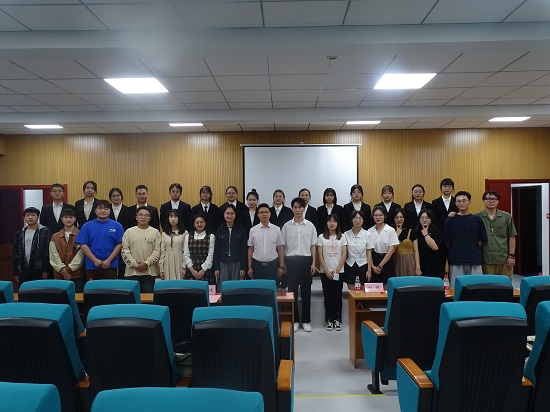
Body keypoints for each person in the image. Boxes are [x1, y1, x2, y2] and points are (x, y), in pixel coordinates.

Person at [281, 197, 317, 333]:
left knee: (306, 293)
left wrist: (313, 262)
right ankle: (295, 320)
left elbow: (313, 246)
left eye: (300, 207)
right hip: (290, 261)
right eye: (295, 207)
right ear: (292, 209)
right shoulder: (286, 226)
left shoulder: (310, 226)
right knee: (292, 292)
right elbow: (282, 246)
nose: (297, 210)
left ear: (304, 208)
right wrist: (283, 263)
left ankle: (306, 321)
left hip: (306, 261)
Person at [444, 191, 488, 288]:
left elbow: (481, 240)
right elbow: (447, 241)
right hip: (456, 260)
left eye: (464, 200)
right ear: (455, 203)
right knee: (456, 290)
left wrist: (472, 248)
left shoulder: (477, 220)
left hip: (474, 260)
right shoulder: (450, 220)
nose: (461, 203)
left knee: (476, 289)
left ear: (469, 202)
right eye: (458, 201)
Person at [75, 200, 123, 280]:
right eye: (100, 208)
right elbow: (83, 245)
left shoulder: (117, 226)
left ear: (110, 210)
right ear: (95, 210)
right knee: (93, 288)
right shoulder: (87, 226)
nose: (103, 211)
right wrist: (95, 260)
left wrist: (108, 260)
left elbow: (119, 244)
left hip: (111, 264)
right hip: (92, 265)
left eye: (106, 208)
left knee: (111, 287)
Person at [476, 190, 517, 279]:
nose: (491, 201)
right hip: (485, 260)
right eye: (488, 199)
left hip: (504, 259)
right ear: (483, 201)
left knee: (505, 284)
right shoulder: (477, 217)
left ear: (498, 201)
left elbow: (512, 236)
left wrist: (512, 256)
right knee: (488, 284)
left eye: (494, 199)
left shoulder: (506, 216)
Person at [317, 214, 347, 331]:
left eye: (334, 221)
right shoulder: (321, 237)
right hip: (325, 272)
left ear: (338, 223)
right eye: (330, 221)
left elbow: (344, 254)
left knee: (337, 296)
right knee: (328, 296)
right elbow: (320, 255)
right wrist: (326, 270)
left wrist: (337, 270)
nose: (332, 223)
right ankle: (329, 319)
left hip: (339, 271)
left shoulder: (342, 237)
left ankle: (337, 319)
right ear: (326, 223)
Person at [122, 206, 162, 292]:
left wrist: (146, 263)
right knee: (131, 298)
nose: (143, 217)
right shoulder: (129, 232)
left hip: (149, 273)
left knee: (148, 298)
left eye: (146, 215)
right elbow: (124, 250)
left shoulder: (155, 232)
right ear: (136, 217)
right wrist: (135, 264)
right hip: (131, 272)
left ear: (150, 218)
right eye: (140, 215)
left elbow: (157, 251)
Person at [12, 207, 52, 284]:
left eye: (33, 215)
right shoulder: (19, 233)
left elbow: (47, 252)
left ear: (38, 217)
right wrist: (15, 271)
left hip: (39, 269)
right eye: (27, 215)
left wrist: (46, 269)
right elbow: (15, 253)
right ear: (24, 217)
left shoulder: (45, 231)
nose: (30, 217)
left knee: (39, 290)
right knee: (24, 290)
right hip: (23, 269)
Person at [49, 208, 85, 292]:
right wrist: (63, 270)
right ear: (62, 219)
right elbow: (53, 255)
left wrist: (69, 269)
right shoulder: (55, 236)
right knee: (59, 298)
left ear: (75, 219)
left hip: (77, 275)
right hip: (59, 275)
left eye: (71, 217)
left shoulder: (82, 234)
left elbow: (81, 255)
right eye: (66, 217)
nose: (68, 220)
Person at [247, 203, 285, 283]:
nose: (264, 214)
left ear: (270, 214)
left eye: (266, 212)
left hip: (273, 265)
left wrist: (281, 266)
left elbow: (280, 248)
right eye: (261, 212)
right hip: (257, 265)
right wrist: (249, 267)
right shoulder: (253, 230)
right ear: (258, 215)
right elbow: (251, 249)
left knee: (272, 288)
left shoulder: (277, 229)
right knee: (258, 288)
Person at [213, 204, 248, 282]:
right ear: (223, 215)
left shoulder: (241, 230)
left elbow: (244, 250)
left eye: (232, 213)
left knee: (236, 287)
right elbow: (216, 250)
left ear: (235, 215)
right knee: (223, 286)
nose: (230, 216)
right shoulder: (219, 230)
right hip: (223, 263)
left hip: (237, 263)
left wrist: (243, 267)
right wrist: (216, 267)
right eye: (227, 213)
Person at [366, 206, 399, 284]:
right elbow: (368, 252)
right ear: (373, 216)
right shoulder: (369, 231)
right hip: (373, 260)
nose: (378, 217)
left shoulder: (390, 230)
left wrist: (381, 265)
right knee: (374, 288)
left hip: (387, 261)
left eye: (380, 215)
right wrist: (372, 266)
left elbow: (391, 250)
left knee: (387, 287)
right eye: (376, 215)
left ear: (385, 216)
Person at [413, 208, 445, 279]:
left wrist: (426, 234)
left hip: (435, 264)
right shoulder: (416, 231)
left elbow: (435, 247)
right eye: (422, 218)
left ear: (431, 219)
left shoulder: (436, 231)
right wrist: (417, 267)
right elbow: (416, 250)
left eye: (427, 218)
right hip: (422, 263)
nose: (424, 220)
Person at [183, 214, 216, 285]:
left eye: (202, 222)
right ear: (193, 224)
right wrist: (192, 270)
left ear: (205, 223)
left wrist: (203, 270)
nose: (199, 224)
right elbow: (186, 255)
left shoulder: (211, 236)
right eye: (197, 222)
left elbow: (211, 256)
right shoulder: (188, 236)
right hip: (191, 270)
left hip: (206, 270)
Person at [344, 210, 369, 290]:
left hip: (363, 264)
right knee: (351, 290)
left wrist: (369, 270)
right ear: (351, 220)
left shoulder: (367, 234)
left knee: (363, 291)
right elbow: (344, 252)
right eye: (355, 218)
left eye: (360, 218)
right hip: (350, 264)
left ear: (363, 220)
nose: (358, 220)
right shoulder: (346, 234)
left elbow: (369, 253)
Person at [159, 209, 188, 280]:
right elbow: (162, 251)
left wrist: (184, 266)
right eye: (171, 217)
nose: (173, 219)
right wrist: (161, 268)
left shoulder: (185, 233)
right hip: (167, 261)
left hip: (179, 260)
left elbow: (186, 251)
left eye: (175, 217)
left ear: (179, 218)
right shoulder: (164, 234)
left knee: (180, 283)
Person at [108, 187, 130, 278]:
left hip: (124, 240)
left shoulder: (127, 210)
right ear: (110, 198)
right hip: (109, 240)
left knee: (122, 263)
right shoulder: (106, 209)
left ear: (121, 197)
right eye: (113, 196)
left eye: (118, 196)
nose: (116, 198)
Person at [392, 208, 416, 276]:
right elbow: (391, 250)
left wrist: (418, 267)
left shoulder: (411, 231)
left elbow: (416, 251)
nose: (399, 219)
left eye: (401, 217)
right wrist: (397, 235)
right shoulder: (390, 231)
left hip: (409, 261)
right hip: (396, 261)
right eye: (396, 217)